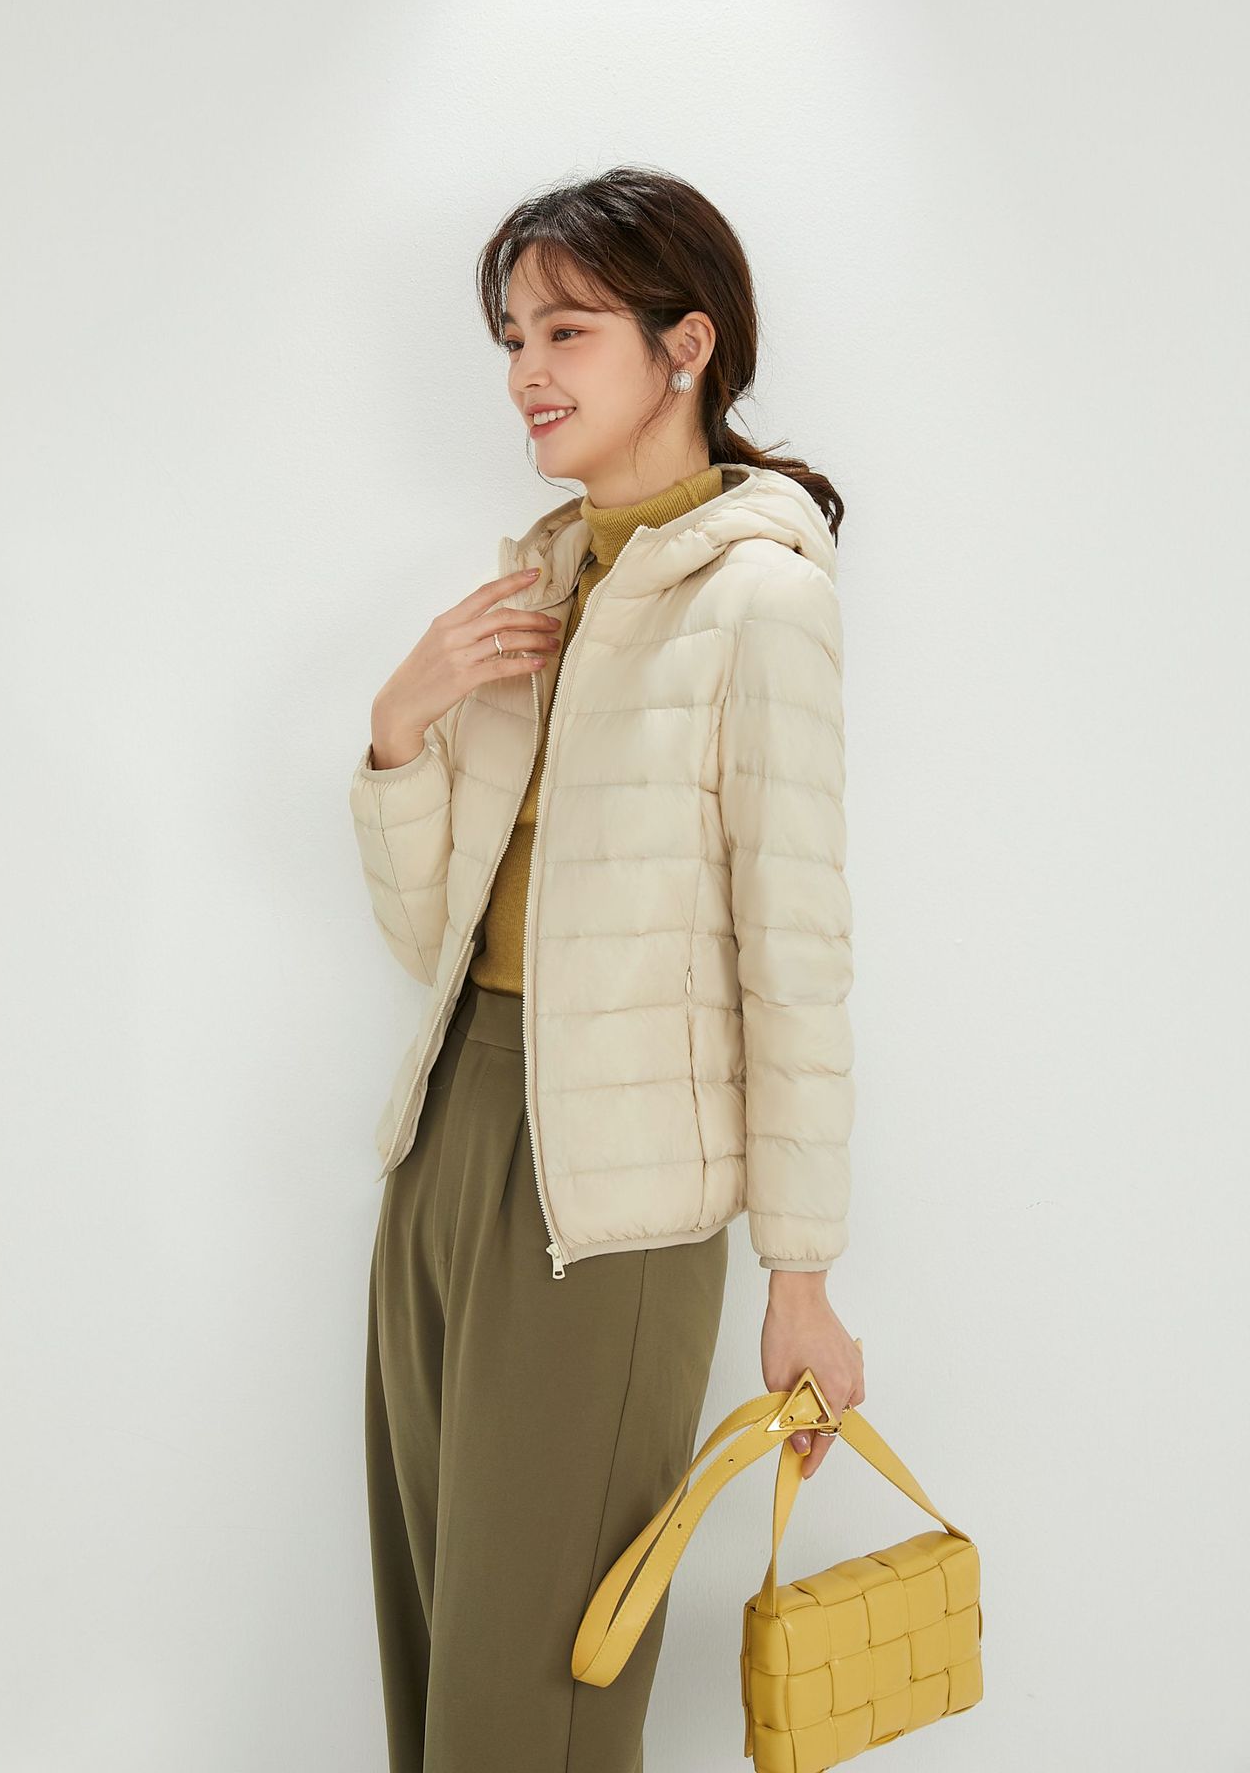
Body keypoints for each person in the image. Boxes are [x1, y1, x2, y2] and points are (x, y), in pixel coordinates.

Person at [351, 165, 866, 1772]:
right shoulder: (542, 592)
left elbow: (797, 957)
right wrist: (401, 726)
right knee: (441, 1657)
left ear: (686, 345)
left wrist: (801, 1276)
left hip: (618, 1207)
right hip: (450, 1141)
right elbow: (434, 939)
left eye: (566, 330)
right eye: (513, 336)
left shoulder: (760, 600)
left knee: (532, 1698)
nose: (527, 371)